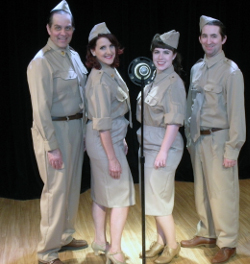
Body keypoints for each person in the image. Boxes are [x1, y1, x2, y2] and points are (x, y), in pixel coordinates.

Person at [27, 1, 88, 263]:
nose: (63, 33)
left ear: (72, 29)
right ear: (48, 29)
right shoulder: (41, 62)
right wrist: (51, 146)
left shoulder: (73, 55)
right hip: (54, 131)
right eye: (58, 28)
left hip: (75, 128)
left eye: (68, 28)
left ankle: (64, 236)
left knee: (72, 187)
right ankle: (47, 252)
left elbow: (82, 97)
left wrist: (85, 133)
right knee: (55, 191)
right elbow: (40, 110)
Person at [182, 15, 246, 264]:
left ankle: (227, 242)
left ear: (223, 39)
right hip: (199, 139)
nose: (209, 41)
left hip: (220, 140)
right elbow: (190, 105)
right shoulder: (198, 68)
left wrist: (232, 150)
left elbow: (237, 115)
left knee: (223, 194)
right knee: (203, 192)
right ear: (200, 39)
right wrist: (189, 137)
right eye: (205, 36)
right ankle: (208, 233)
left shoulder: (231, 72)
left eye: (214, 36)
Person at [84, 22, 135, 264]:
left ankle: (99, 241)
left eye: (111, 46)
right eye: (102, 47)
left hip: (107, 139)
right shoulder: (100, 78)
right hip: (104, 142)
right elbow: (102, 122)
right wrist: (112, 157)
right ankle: (114, 250)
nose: (108, 51)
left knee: (102, 194)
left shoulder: (109, 71)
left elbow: (112, 113)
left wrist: (121, 137)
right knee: (121, 197)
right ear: (92, 51)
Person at [136, 30, 186, 264]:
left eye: (166, 52)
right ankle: (160, 241)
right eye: (157, 52)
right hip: (149, 146)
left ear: (174, 55)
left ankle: (173, 246)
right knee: (153, 199)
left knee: (160, 200)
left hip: (163, 148)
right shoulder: (153, 77)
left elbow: (174, 122)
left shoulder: (174, 83)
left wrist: (163, 152)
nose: (161, 56)